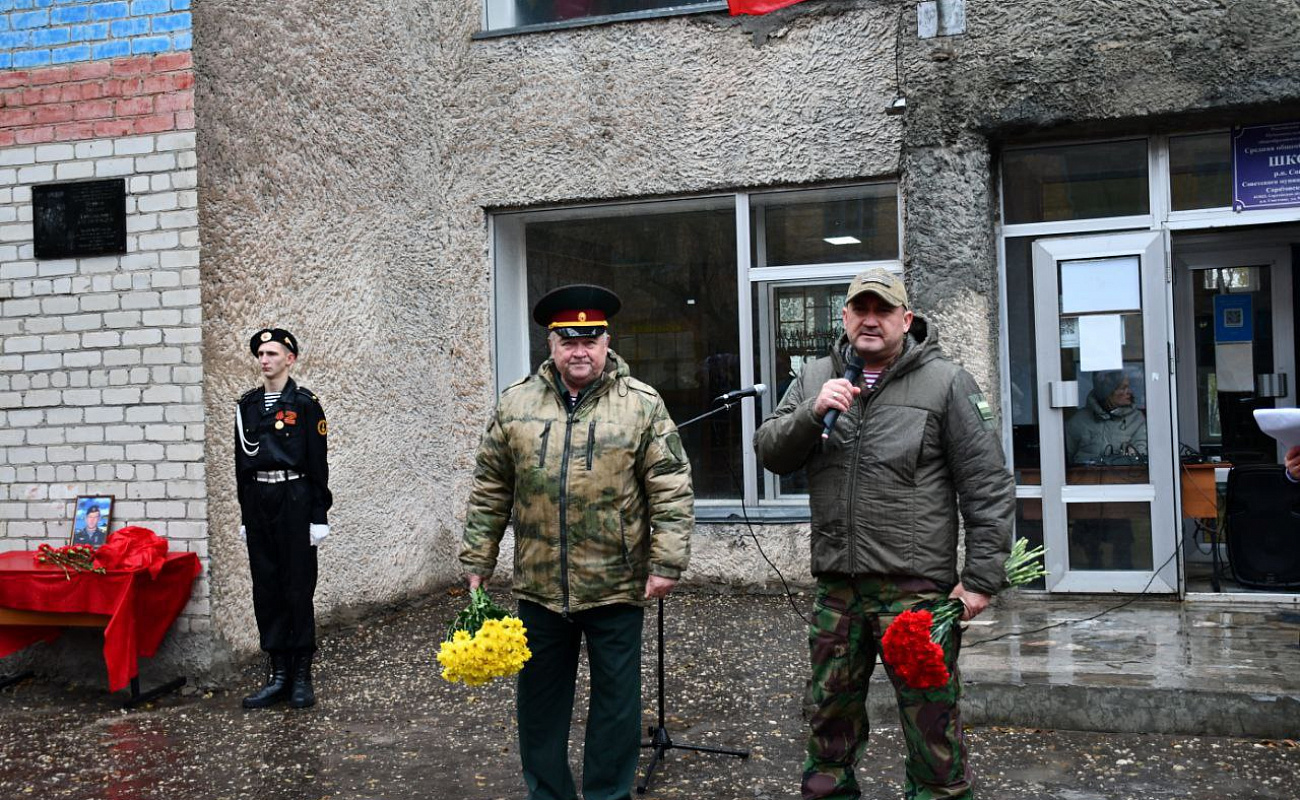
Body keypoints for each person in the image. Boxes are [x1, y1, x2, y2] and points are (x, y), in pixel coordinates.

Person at [754, 267, 1013, 800]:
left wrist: (982, 577)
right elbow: (770, 451)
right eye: (860, 310)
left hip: (913, 595)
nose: (871, 321)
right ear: (845, 316)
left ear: (906, 319)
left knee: (931, 726)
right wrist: (812, 411)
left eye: (883, 311)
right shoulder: (814, 378)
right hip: (837, 592)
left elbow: (987, 483)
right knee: (827, 724)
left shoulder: (947, 382)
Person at [460, 284, 693, 800]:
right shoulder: (515, 405)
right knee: (539, 705)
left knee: (616, 706)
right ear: (551, 343)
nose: (580, 350)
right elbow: (490, 487)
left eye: (590, 338)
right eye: (569, 339)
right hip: (540, 586)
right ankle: (550, 794)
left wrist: (667, 561)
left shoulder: (642, 405)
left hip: (615, 583)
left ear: (607, 341)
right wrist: (479, 557)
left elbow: (671, 486)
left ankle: (608, 795)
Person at [235, 328, 332, 710]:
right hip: (260, 500)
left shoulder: (306, 404)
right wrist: (246, 515)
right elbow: (241, 465)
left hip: (295, 497)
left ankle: (302, 676)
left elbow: (317, 463)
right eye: (260, 353)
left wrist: (318, 515)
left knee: (297, 587)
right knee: (267, 588)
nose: (264, 359)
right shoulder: (247, 406)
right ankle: (278, 674)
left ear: (290, 358)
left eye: (272, 353)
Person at [1064, 370, 1148, 466]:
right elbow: (1065, 460)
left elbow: (1141, 458)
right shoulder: (1079, 420)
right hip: (1085, 479)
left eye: (1129, 387)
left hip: (1125, 478)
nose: (1129, 392)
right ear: (1107, 392)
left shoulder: (1137, 420)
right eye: (1123, 388)